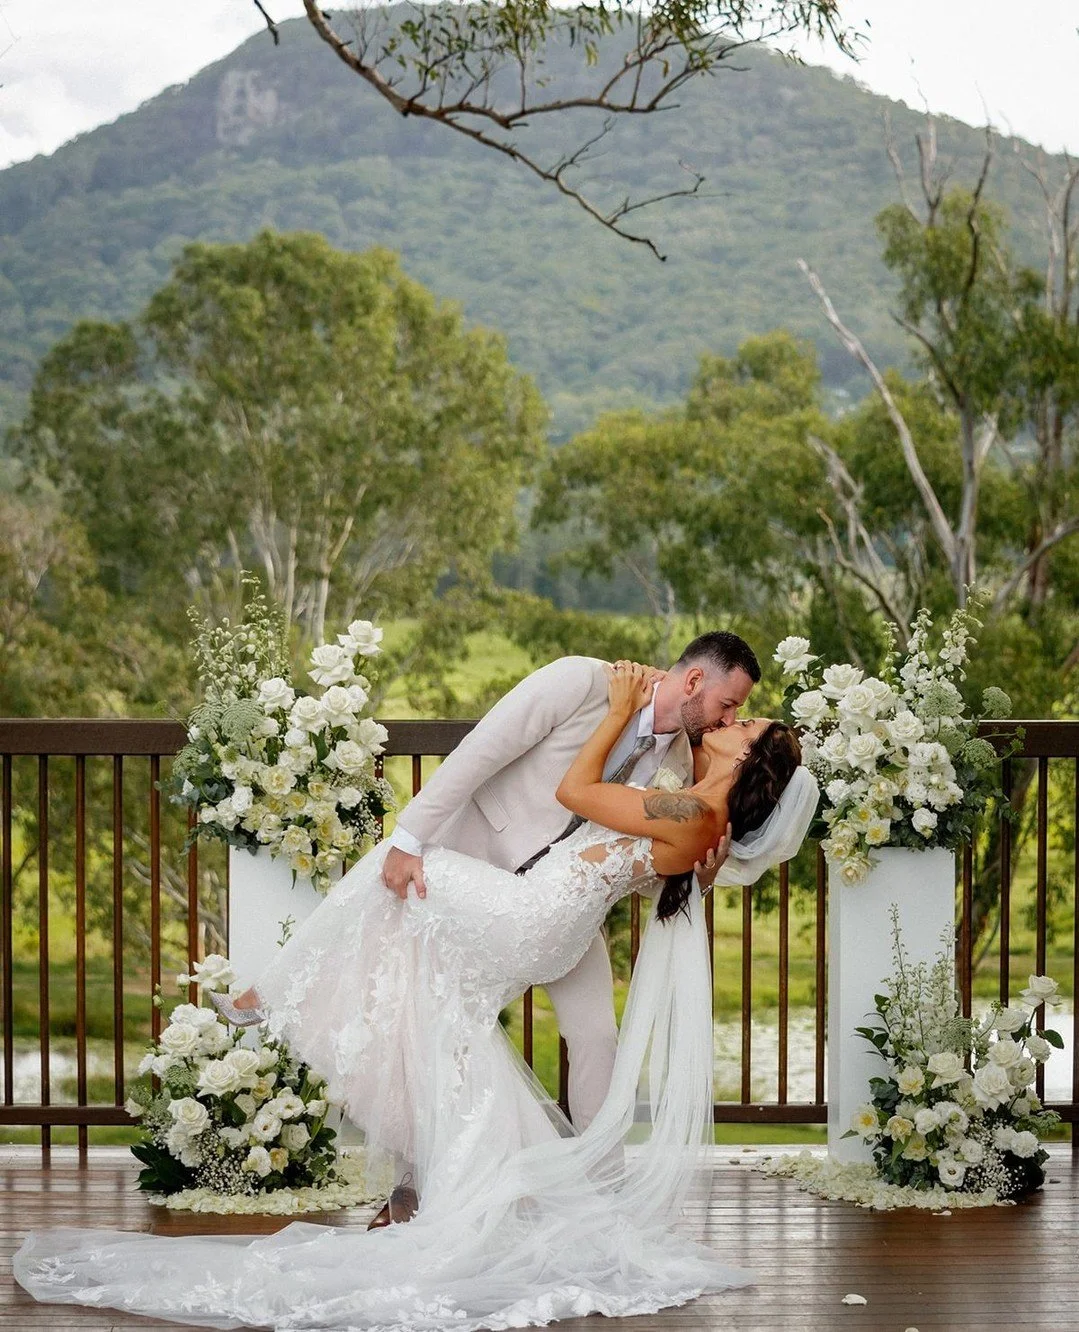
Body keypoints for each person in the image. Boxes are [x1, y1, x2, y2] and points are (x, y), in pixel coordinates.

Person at [13, 663, 819, 1332]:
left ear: (750, 767)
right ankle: (429, 1161)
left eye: (746, 728)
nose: (736, 722)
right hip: (545, 919)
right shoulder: (694, 809)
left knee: (393, 870)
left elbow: (576, 792)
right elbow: (632, 837)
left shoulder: (690, 808)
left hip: (531, 914)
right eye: (737, 711)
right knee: (435, 1003)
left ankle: (277, 995)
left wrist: (612, 713)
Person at [380, 631, 762, 1131]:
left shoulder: (681, 766)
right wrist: (409, 839)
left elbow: (635, 864)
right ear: (694, 680)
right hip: (479, 867)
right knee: (438, 1020)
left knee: (597, 1036)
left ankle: (600, 1179)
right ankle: (411, 1182)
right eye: (728, 704)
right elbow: (479, 752)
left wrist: (698, 877)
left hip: (563, 910)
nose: (728, 720)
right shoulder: (581, 681)